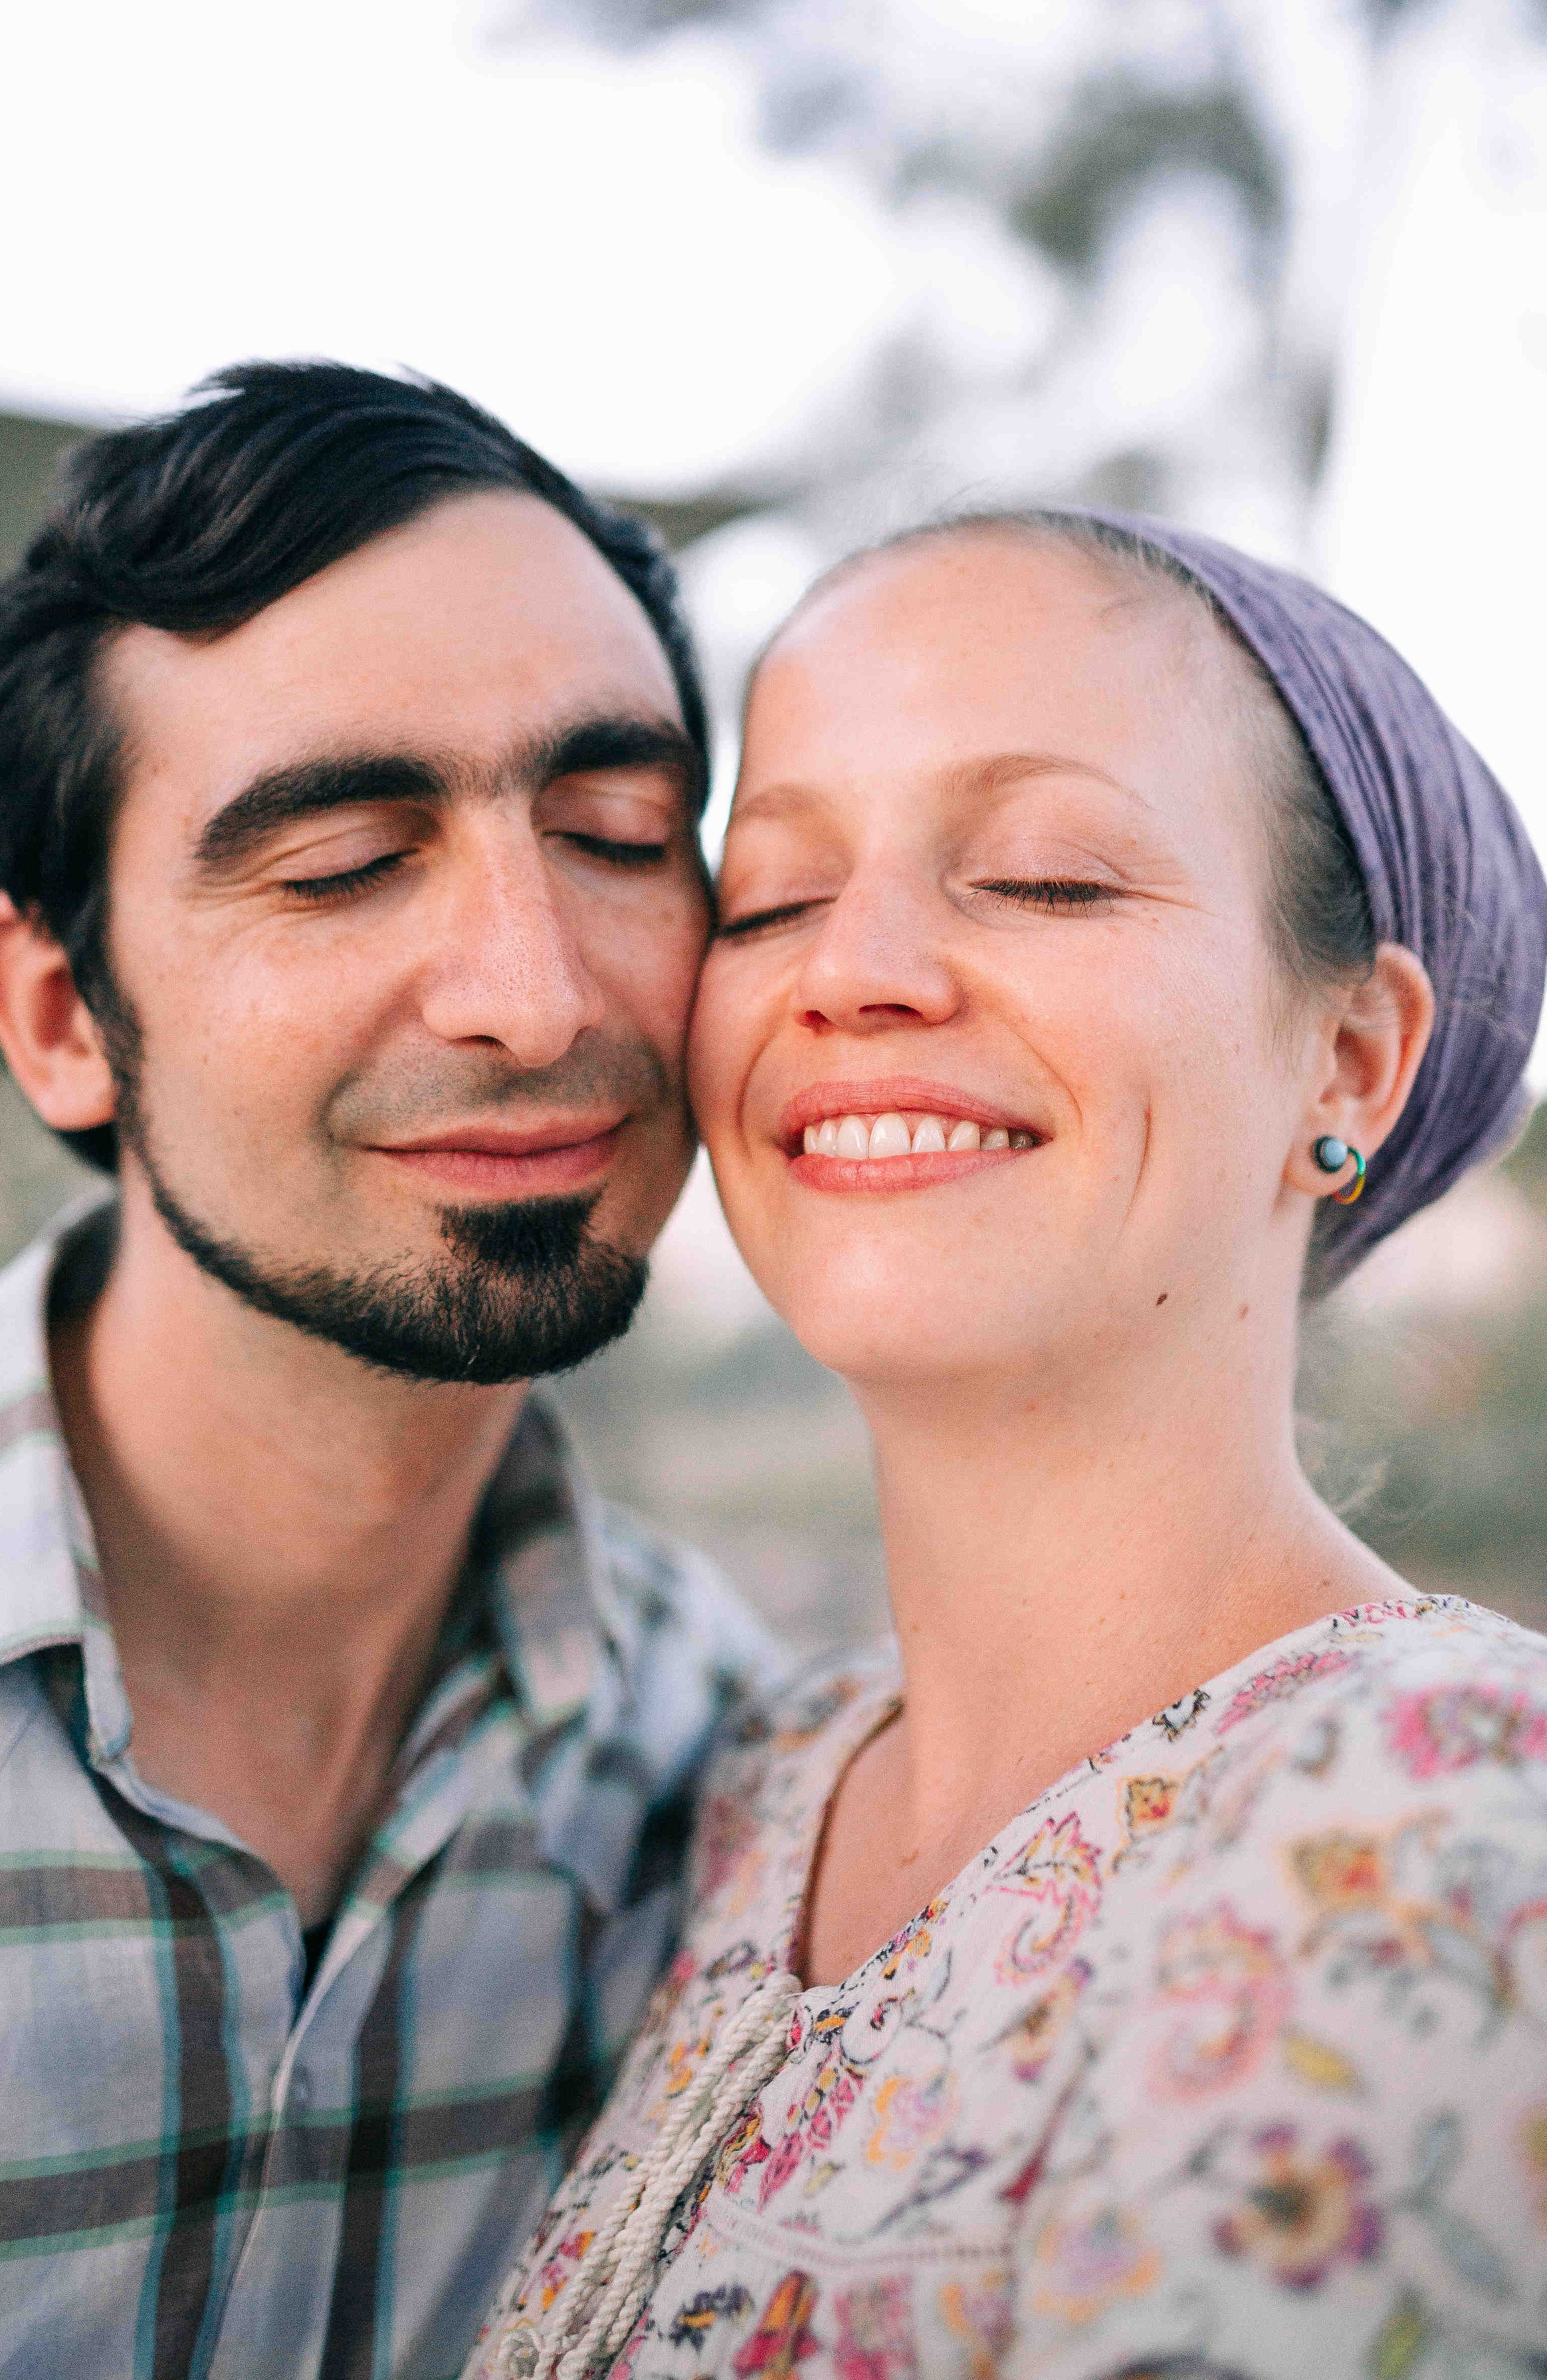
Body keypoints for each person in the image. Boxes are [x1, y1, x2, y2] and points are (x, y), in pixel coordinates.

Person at [466, 510, 1547, 2380]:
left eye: (1048, 879)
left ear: (1351, 1061)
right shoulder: (748, 1789)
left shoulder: (1449, 1818)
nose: (854, 971)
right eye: (774, 898)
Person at [0, 362, 779, 2377]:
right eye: (345, 862)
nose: (538, 995)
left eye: (619, 833)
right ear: (58, 1013)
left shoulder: (725, 1790)